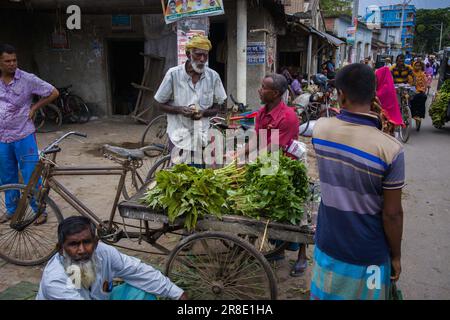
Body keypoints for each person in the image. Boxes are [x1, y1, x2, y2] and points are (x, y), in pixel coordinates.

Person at [311, 63, 404, 300]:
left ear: (340, 95)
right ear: (374, 94)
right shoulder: (390, 149)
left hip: (328, 244)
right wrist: (396, 256)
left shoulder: (320, 130)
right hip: (368, 252)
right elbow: (392, 215)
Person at [36, 216, 188, 300]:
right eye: (73, 244)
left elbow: (138, 271)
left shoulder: (104, 252)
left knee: (141, 293)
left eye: (86, 242)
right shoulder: (55, 281)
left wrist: (178, 294)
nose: (81, 250)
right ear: (60, 248)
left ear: (96, 242)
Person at [254, 74, 307, 277]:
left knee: (297, 214)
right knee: (272, 210)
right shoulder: (261, 113)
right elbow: (257, 141)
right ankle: (278, 250)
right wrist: (236, 154)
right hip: (268, 164)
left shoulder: (288, 117)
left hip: (287, 166)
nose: (260, 90)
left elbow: (273, 149)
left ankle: (302, 255)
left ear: (275, 93)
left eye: (263, 87)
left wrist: (249, 160)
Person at [0, 44, 59, 224]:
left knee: (30, 174)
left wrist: (34, 107)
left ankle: (39, 210)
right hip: (2, 137)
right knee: (7, 175)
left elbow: (53, 92)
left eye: (14, 60)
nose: (12, 64)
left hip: (23, 134)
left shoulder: (27, 79)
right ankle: (12, 210)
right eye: (7, 61)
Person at [154, 35, 226, 166]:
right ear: (188, 54)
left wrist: (203, 113)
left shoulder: (213, 77)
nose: (202, 59)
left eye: (205, 55)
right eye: (198, 55)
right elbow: (159, 103)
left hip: (201, 136)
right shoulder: (173, 74)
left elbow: (218, 106)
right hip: (178, 135)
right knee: (179, 176)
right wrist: (179, 110)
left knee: (198, 177)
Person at [375, 66, 404, 135]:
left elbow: (376, 98)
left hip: (385, 119)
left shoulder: (383, 89)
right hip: (391, 118)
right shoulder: (389, 86)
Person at [410, 61, 428, 131]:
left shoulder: (422, 74)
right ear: (414, 66)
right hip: (412, 91)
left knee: (424, 97)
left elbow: (425, 83)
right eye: (416, 65)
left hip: (420, 91)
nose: (418, 67)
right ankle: (413, 113)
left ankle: (419, 115)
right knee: (413, 98)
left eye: (419, 66)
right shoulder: (410, 73)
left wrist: (423, 89)